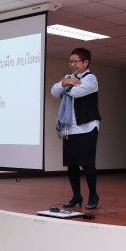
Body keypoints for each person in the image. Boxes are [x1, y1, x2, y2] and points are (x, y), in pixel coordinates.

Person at [51, 48, 101, 210]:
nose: (72, 65)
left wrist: (65, 83)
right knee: (72, 165)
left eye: (75, 61)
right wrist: (65, 82)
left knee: (87, 164)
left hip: (87, 127)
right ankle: (76, 195)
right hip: (69, 128)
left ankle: (93, 195)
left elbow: (77, 92)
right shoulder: (69, 78)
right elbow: (54, 91)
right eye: (70, 61)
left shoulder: (91, 79)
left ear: (85, 62)